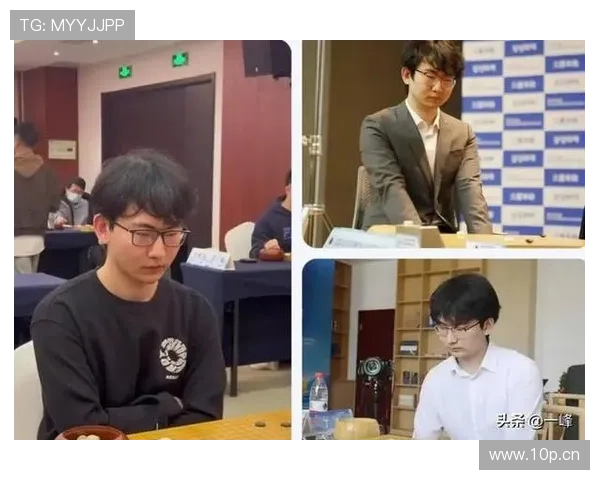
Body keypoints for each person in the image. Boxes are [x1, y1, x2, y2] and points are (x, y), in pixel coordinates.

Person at [30, 149, 226, 440]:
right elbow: (84, 428)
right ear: (102, 229)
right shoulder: (60, 315)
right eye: (142, 234)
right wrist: (167, 406)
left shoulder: (195, 311)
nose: (159, 252)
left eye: (171, 233)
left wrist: (116, 418)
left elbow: (206, 418)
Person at [359, 41, 492, 234]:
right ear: (407, 75)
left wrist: (485, 243)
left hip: (443, 235)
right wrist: (421, 239)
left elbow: (470, 189)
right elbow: (390, 185)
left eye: (447, 79)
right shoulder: (378, 125)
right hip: (389, 233)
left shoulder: (462, 132)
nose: (438, 87)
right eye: (430, 76)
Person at [413, 273, 543, 440]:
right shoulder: (436, 378)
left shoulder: (521, 371)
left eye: (461, 328)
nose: (450, 339)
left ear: (487, 325)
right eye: (443, 328)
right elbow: (423, 439)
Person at [14, 121, 61, 273]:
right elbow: (54, 204)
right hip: (37, 240)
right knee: (31, 283)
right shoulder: (47, 171)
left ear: (16, 140)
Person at [249, 169, 291, 258]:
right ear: (288, 189)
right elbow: (254, 252)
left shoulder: (310, 217)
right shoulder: (268, 219)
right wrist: (266, 247)